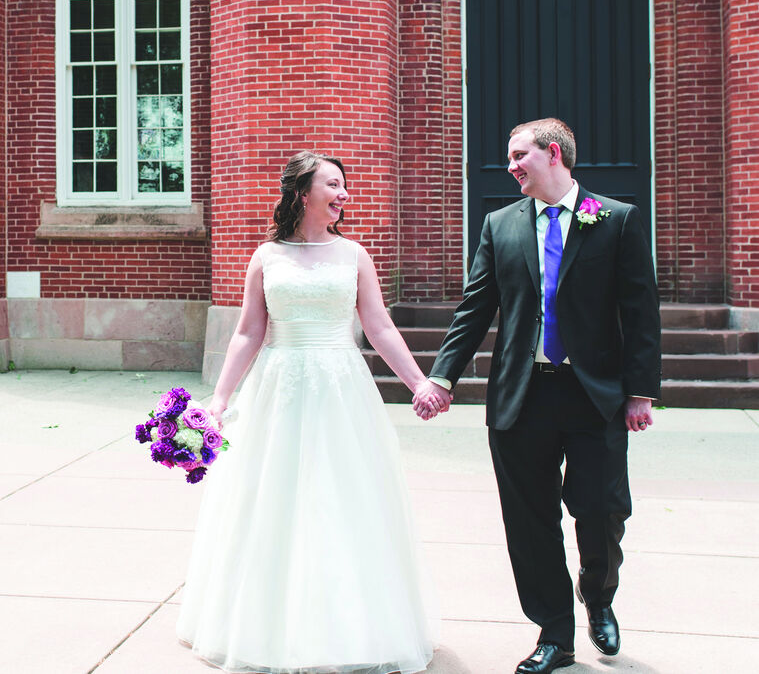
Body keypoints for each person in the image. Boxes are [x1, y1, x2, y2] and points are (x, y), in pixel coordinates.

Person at [177, 151, 441, 674]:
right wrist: (221, 398)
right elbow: (249, 331)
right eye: (333, 184)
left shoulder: (354, 256)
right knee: (272, 500)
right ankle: (264, 628)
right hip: (278, 387)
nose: (344, 194)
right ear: (303, 193)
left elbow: (379, 326)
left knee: (343, 499)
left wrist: (419, 382)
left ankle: (349, 630)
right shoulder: (266, 256)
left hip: (341, 389)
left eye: (344, 185)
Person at [413, 118, 660, 674]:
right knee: (530, 522)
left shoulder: (616, 219)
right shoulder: (499, 225)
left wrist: (641, 391)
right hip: (521, 397)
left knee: (602, 511)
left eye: (518, 155)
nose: (510, 166)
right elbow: (475, 308)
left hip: (594, 395)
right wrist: (442, 377)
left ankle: (597, 594)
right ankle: (554, 633)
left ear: (553, 154)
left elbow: (641, 313)